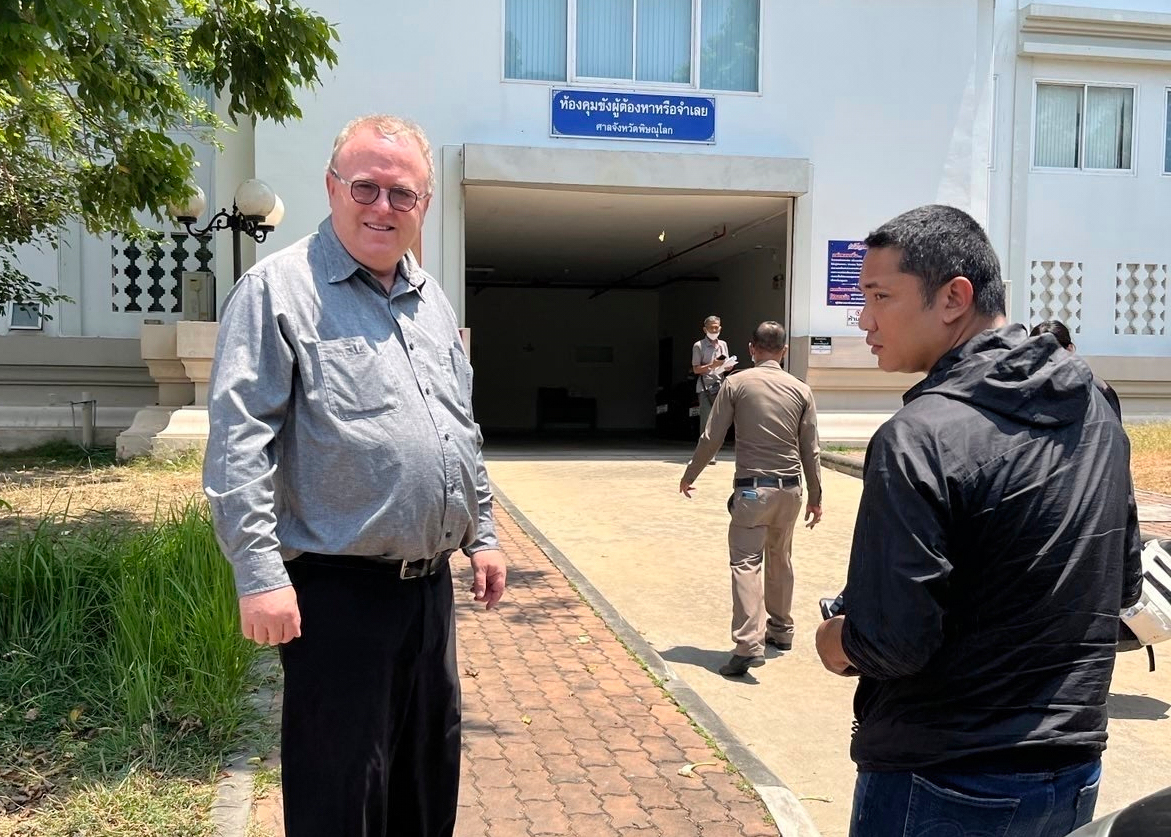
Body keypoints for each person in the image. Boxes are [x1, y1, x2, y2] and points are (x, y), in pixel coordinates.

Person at [203, 114, 507, 837]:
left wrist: (483, 535)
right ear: (331, 187)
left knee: (425, 783)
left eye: (401, 194)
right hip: (335, 596)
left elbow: (457, 429)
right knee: (339, 793)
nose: (382, 207)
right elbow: (238, 441)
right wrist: (258, 573)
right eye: (364, 187)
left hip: (429, 595)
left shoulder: (431, 300)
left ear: (423, 204)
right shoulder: (277, 290)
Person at [814, 205, 1143, 837]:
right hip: (1071, 768)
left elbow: (894, 642)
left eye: (880, 296)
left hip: (944, 776)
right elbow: (1122, 588)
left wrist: (837, 642)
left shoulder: (918, 437)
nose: (864, 320)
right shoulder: (1097, 405)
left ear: (953, 297)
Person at [680, 321, 823, 677]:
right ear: (785, 351)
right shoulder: (801, 390)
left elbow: (711, 437)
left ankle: (748, 645)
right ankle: (781, 630)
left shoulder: (736, 383)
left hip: (752, 490)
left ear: (752, 349)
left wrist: (689, 475)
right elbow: (812, 450)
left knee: (746, 563)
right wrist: (816, 496)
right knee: (781, 557)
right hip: (790, 491)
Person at [1030, 319, 1122, 419]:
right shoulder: (1022, 393)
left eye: (1052, 353)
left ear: (1070, 349)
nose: (1047, 362)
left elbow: (1112, 430)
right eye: (1039, 354)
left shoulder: (1099, 390)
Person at [692, 315, 732, 449]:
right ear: (705, 329)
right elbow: (696, 369)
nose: (715, 330)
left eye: (717, 328)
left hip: (720, 387)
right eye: (712, 328)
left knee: (719, 422)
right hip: (705, 388)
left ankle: (713, 451)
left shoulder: (723, 345)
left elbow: (725, 364)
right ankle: (705, 452)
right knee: (706, 421)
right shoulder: (699, 346)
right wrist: (712, 365)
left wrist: (728, 365)